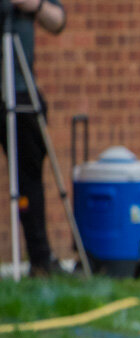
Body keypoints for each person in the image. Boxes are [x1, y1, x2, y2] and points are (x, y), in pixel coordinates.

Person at [2, 0, 65, 276]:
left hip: (21, 87)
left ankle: (41, 261)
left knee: (30, 178)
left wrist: (33, 5)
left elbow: (58, 20)